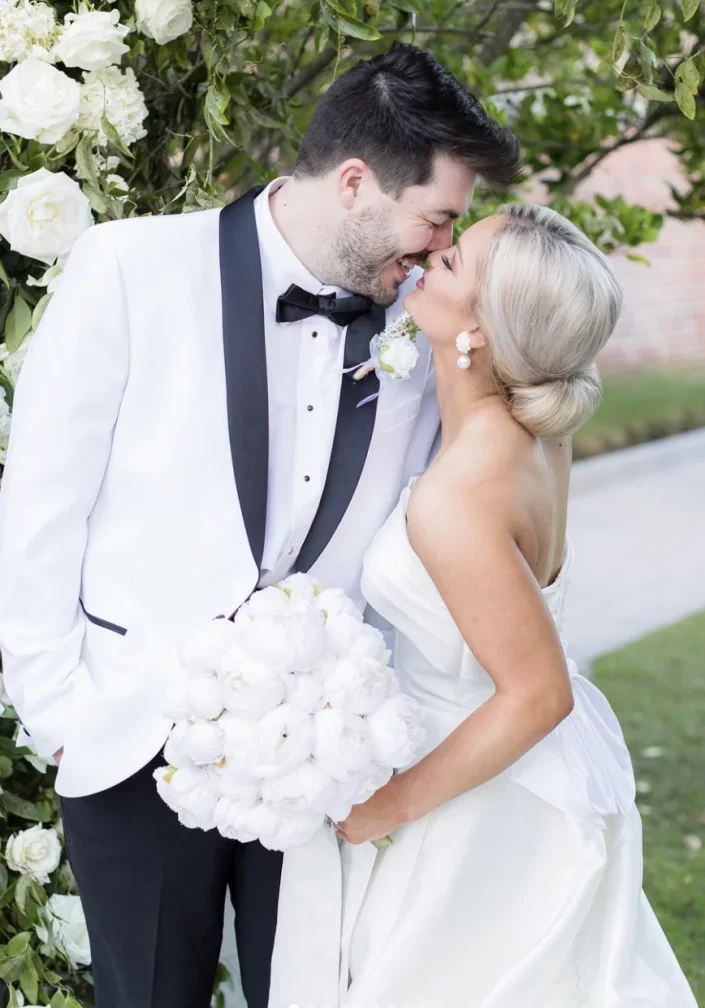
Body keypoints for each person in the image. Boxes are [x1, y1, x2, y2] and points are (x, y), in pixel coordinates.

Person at [0, 44, 520, 1008]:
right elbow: (37, 506)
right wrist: (62, 713)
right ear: (357, 182)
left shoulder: (424, 321)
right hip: (130, 741)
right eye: (435, 218)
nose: (437, 246)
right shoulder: (131, 267)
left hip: (327, 767)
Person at [275, 205, 697, 1006]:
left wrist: (384, 808)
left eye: (452, 263)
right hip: (523, 775)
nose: (430, 253)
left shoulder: (461, 496)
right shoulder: (534, 432)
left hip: (473, 808)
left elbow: (538, 693)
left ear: (483, 330)